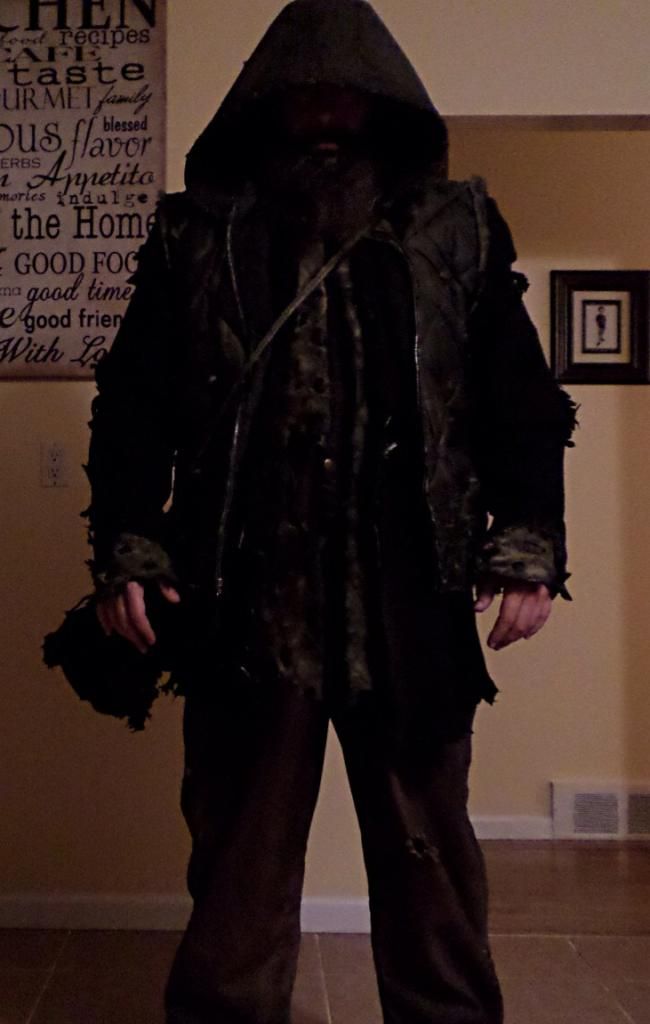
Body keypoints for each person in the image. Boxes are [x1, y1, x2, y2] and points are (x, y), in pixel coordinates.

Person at [86, 1, 576, 1021]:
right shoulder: (192, 238)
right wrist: (129, 543)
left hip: (408, 602)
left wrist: (526, 546)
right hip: (243, 600)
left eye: (344, 96)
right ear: (263, 105)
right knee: (239, 866)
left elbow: (518, 401)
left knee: (430, 862)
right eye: (302, 94)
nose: (323, 116)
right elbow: (133, 403)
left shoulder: (455, 232)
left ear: (380, 104)